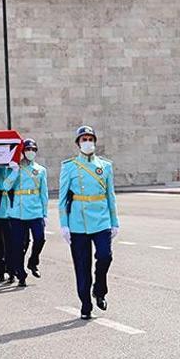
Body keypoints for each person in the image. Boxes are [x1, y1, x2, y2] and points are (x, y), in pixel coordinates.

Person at [59, 126, 120, 320]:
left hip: (101, 219)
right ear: (78, 143)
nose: (87, 142)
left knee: (105, 256)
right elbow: (62, 199)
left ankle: (99, 289)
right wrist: (64, 224)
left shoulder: (105, 166)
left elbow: (110, 195)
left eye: (90, 138)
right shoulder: (69, 166)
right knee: (82, 265)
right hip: (78, 221)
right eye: (83, 139)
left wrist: (114, 221)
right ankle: (86, 303)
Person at [5, 139, 49, 286]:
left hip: (35, 211)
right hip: (18, 212)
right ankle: (21, 274)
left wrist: (45, 213)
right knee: (18, 245)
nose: (30, 152)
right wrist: (14, 172)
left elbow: (44, 193)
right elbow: (5, 186)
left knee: (40, 239)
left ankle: (33, 261)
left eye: (33, 149)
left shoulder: (41, 170)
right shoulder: (15, 167)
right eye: (28, 149)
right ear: (23, 151)